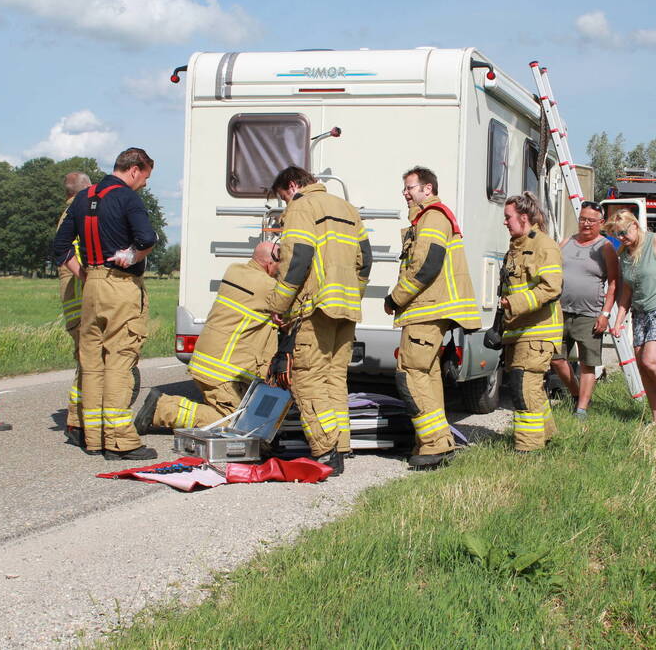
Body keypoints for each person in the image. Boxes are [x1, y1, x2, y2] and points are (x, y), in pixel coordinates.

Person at [52, 148, 158, 460]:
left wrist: (84, 274)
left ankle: (93, 437)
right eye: (146, 177)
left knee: (92, 362)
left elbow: (60, 246)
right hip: (120, 286)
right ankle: (120, 441)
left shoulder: (84, 198)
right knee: (119, 360)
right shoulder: (127, 197)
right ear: (135, 169)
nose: (144, 185)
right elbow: (146, 237)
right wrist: (133, 256)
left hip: (91, 287)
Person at [265, 166, 372, 476]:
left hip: (315, 309)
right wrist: (354, 294)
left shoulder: (302, 206)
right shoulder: (347, 208)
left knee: (308, 380)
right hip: (346, 309)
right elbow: (366, 259)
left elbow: (298, 257)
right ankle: (342, 446)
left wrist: (280, 304)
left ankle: (326, 452)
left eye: (284, 197)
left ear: (293, 185)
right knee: (334, 380)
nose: (286, 203)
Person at [383, 166, 481, 468]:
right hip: (429, 310)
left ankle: (433, 446)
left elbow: (427, 265)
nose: (405, 193)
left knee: (411, 376)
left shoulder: (433, 217)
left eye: (410, 187)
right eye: (405, 188)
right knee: (426, 376)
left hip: (426, 310)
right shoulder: (430, 218)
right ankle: (440, 442)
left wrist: (395, 298)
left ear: (428, 189)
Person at [134, 242, 281, 432]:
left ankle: (166, 407)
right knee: (240, 426)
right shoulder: (266, 287)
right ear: (270, 262)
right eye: (282, 264)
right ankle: (164, 409)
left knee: (240, 413)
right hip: (223, 371)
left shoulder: (235, 271)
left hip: (209, 363)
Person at [606, 209, 656, 433]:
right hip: (640, 312)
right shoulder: (624, 253)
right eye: (617, 235)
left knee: (652, 360)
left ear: (634, 225)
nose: (621, 237)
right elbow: (627, 291)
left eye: (623, 232)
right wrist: (619, 320)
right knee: (642, 365)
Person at [498, 192, 563, 453]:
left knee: (523, 388)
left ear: (523, 218)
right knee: (530, 389)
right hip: (519, 331)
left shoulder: (544, 246)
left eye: (508, 217)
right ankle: (546, 436)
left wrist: (514, 304)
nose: (505, 222)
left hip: (538, 333)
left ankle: (528, 449)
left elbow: (551, 288)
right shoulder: (517, 246)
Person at [549, 201, 618, 417]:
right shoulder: (567, 241)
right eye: (582, 219)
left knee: (588, 363)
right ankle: (577, 394)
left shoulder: (605, 247)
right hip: (560, 311)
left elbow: (615, 282)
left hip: (590, 314)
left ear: (601, 223)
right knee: (556, 358)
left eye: (591, 220)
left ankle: (581, 409)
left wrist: (605, 314)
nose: (585, 224)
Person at [57, 171, 91, 447]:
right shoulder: (79, 214)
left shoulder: (65, 214)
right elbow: (75, 253)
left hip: (74, 306)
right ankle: (79, 422)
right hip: (84, 301)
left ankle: (78, 419)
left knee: (85, 361)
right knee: (90, 362)